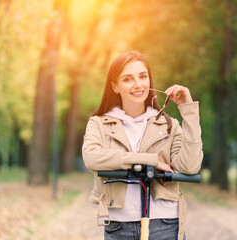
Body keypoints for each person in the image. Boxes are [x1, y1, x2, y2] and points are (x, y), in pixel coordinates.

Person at [82, 51, 203, 240]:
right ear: (115, 86)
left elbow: (190, 166)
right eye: (128, 79)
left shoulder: (169, 124)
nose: (138, 85)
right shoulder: (99, 123)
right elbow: (92, 158)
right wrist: (150, 161)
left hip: (165, 223)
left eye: (143, 76)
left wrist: (188, 112)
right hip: (118, 226)